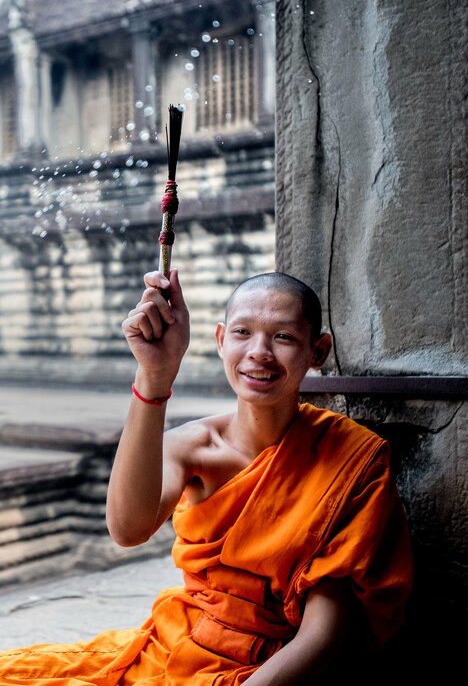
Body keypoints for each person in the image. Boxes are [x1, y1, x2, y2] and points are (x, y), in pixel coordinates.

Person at [0, 269, 413, 685]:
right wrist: (155, 375)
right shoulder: (193, 445)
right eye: (242, 332)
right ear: (220, 341)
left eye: (283, 337)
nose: (259, 352)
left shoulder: (351, 459)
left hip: (271, 669)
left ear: (317, 351)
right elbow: (127, 530)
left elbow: (324, 634)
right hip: (177, 646)